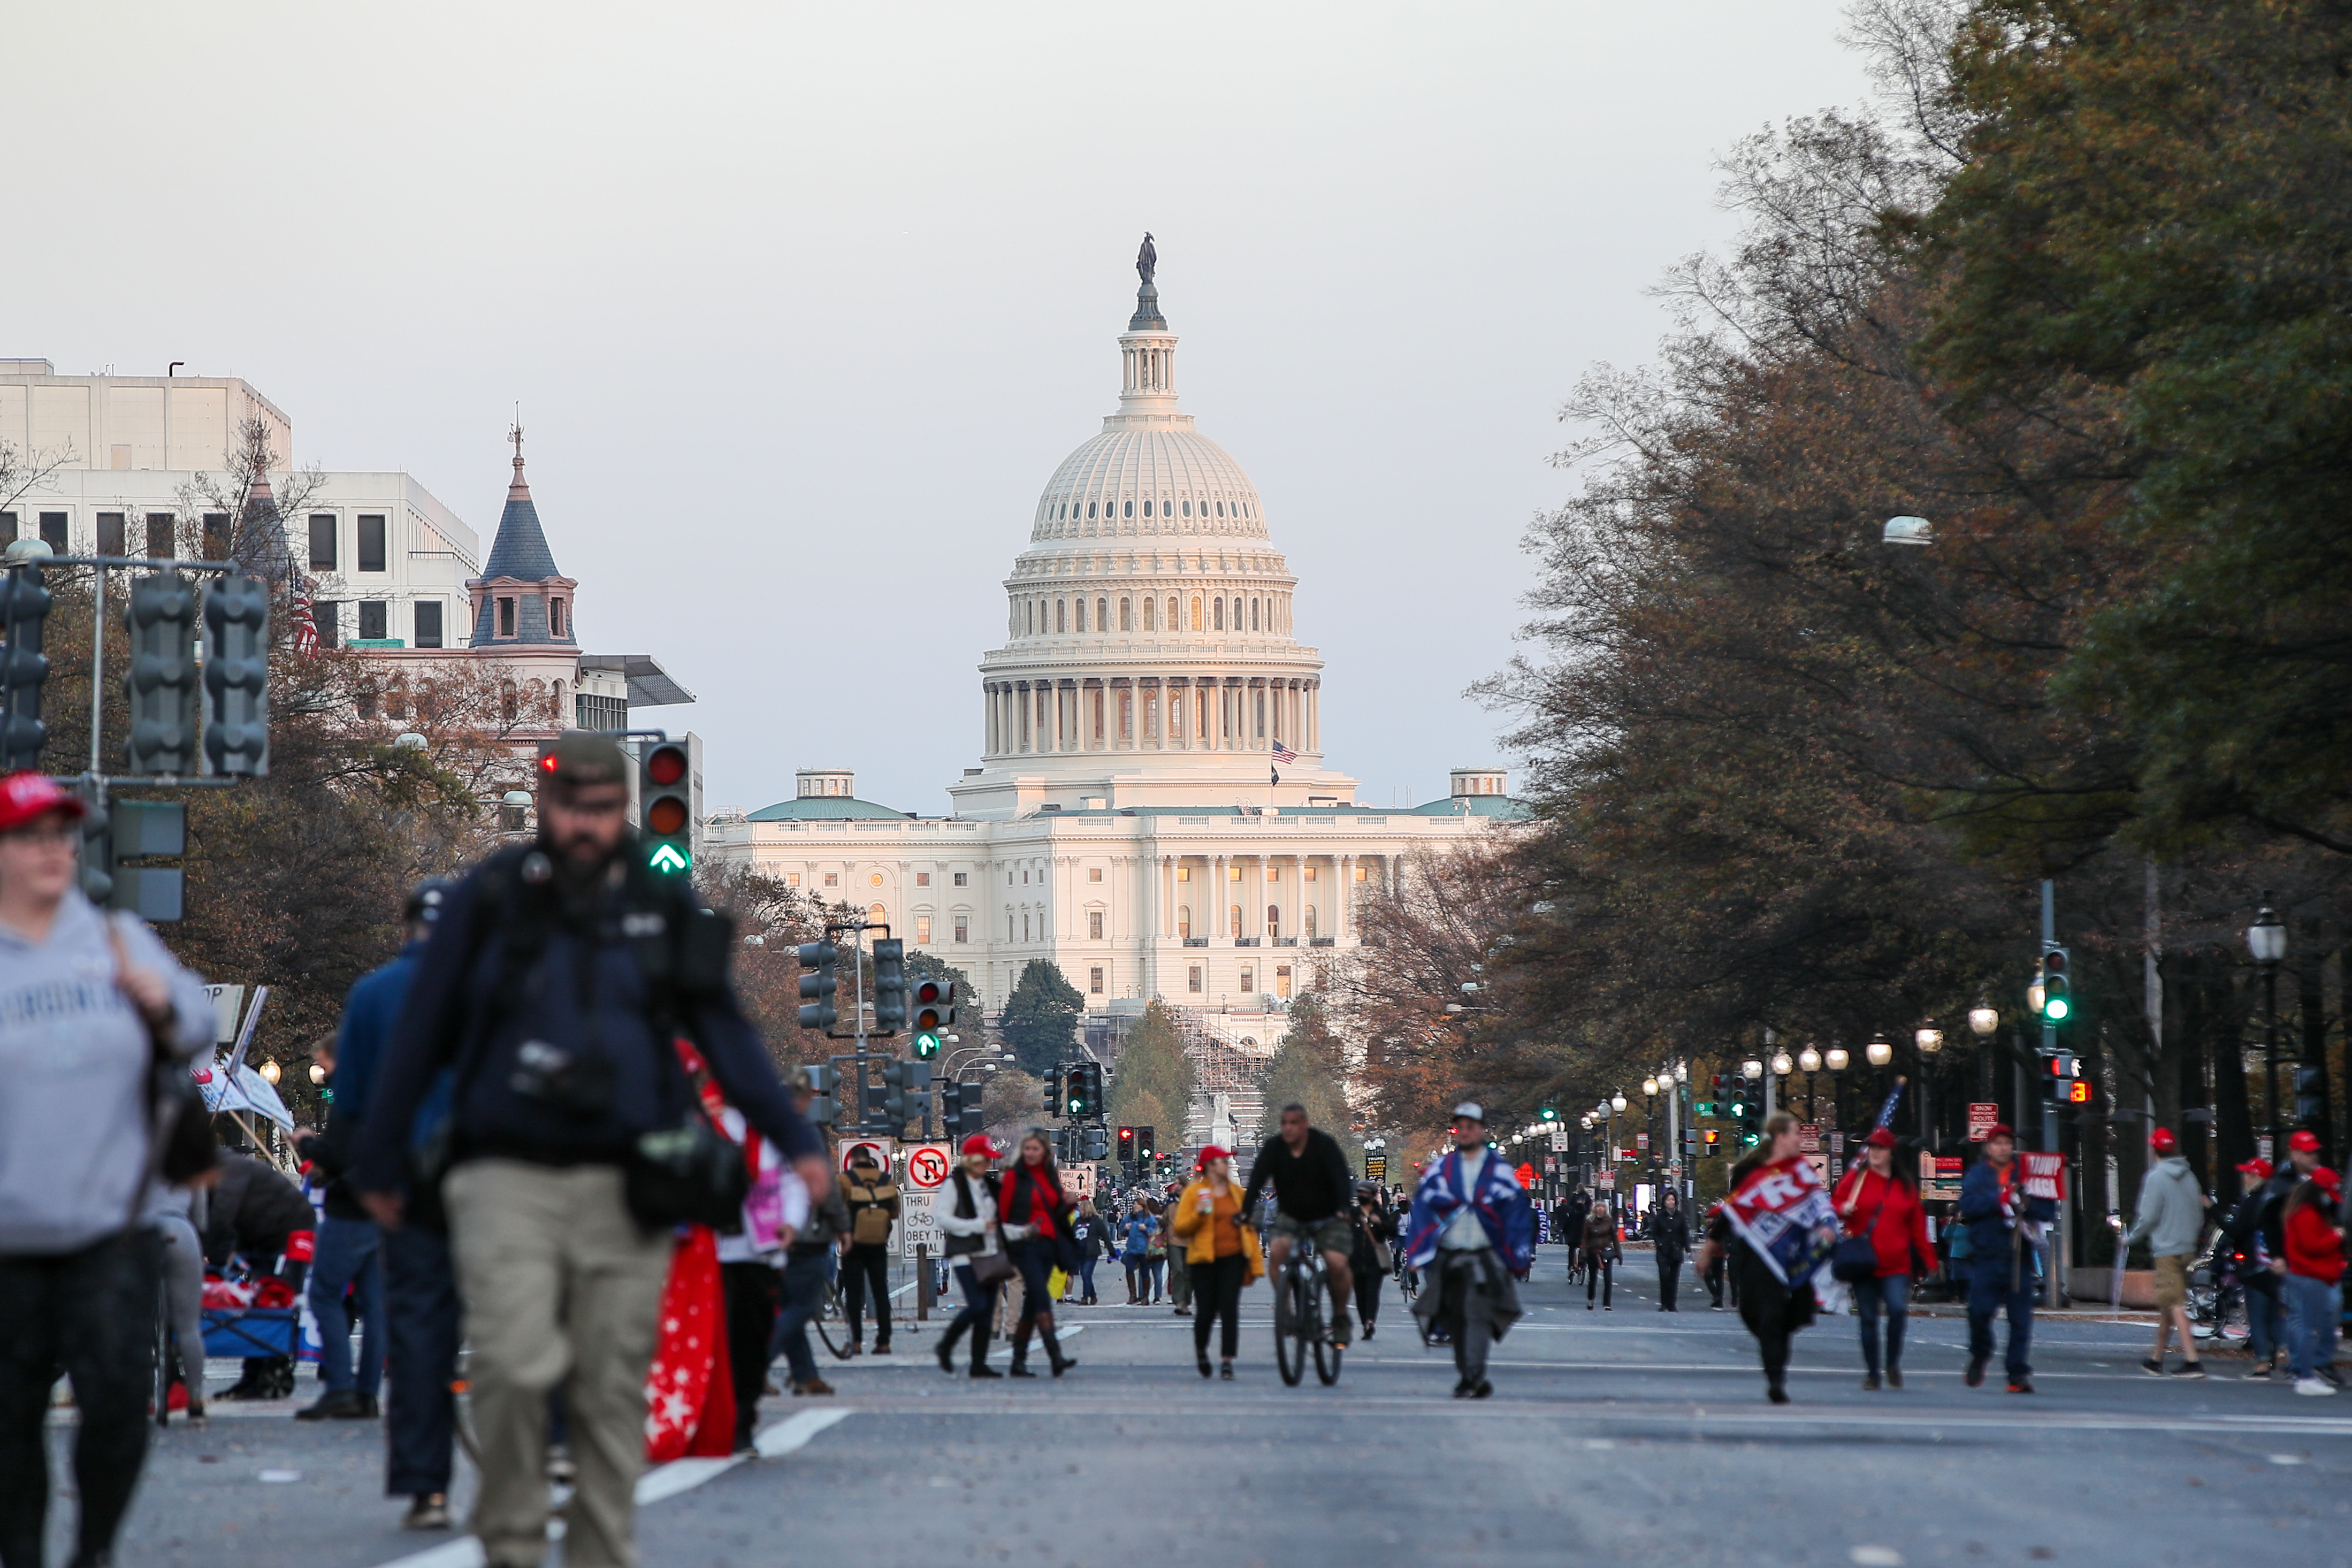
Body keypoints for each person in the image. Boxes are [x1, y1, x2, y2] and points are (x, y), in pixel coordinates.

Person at [351, 732, 827, 1568]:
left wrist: (794, 1139)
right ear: (545, 802)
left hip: (626, 1173)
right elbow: (423, 1028)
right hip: (504, 1165)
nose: (585, 824)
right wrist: (380, 1156)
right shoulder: (492, 896)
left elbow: (721, 1025)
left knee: (611, 1383)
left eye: (603, 809)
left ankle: (604, 1551)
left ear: (625, 808)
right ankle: (512, 1542)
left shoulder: (663, 902)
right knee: (509, 1359)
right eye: (570, 806)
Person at [0, 771, 216, 1568]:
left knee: (120, 1404)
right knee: (12, 1418)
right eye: (31, 837)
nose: (53, 850)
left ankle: (93, 1548)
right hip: (9, 1237)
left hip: (110, 1227)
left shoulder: (115, 936)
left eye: (63, 835)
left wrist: (160, 1000)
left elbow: (196, 1027)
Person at [1700, 1111, 1838, 1403]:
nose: (1800, 1139)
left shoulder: (1801, 1172)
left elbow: (1818, 1202)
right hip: (1758, 1255)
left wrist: (1827, 1226)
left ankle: (1776, 1374)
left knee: (1787, 1319)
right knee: (1762, 1317)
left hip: (1792, 1256)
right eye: (1795, 1133)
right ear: (1780, 1137)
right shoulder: (1750, 1172)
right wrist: (1709, 1248)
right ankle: (1774, 1370)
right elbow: (1732, 1210)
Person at [1404, 1102, 1534, 1398]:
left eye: (1471, 1127)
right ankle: (1468, 1372)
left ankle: (1474, 1374)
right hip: (1449, 1254)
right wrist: (1416, 1251)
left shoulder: (1499, 1171)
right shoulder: (1441, 1170)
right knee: (1454, 1317)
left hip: (1485, 1254)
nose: (1465, 1132)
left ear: (1481, 1130)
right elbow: (1424, 1210)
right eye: (1460, 1128)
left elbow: (1516, 1213)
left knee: (1476, 1315)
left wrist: (1518, 1253)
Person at [1240, 1103, 1361, 1345]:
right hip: (1292, 1214)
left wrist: (1344, 1208)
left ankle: (1340, 1316)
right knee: (1277, 1252)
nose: (1288, 1128)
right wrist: (1245, 1212)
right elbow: (1257, 1178)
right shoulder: (1275, 1148)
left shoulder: (1324, 1145)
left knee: (1337, 1263)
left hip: (1326, 1215)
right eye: (1284, 1123)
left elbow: (1340, 1177)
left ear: (1305, 1124)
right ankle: (1285, 1310)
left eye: (1294, 1123)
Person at [204, 1148, 319, 1401]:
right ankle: (252, 1377)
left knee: (277, 1302)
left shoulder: (230, 1170)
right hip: (262, 1238)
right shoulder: (218, 1171)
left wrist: (215, 1259)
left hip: (291, 1233)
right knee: (258, 1306)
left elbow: (221, 1218)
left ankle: (272, 1370)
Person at [1957, 1122, 2056, 1394]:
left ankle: (2017, 1374)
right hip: (1987, 1256)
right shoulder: (1978, 1175)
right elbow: (1968, 1205)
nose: (2003, 1148)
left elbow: (2048, 1208)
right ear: (1989, 1147)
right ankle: (1981, 1352)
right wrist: (1999, 1200)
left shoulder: (2028, 1174)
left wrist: (2025, 1203)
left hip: (2018, 1258)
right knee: (1978, 1312)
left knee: (2021, 1320)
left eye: (2007, 1143)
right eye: (1997, 1143)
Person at [1832, 1127, 1932, 1390]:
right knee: (1868, 1318)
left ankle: (1891, 1363)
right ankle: (1873, 1372)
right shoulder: (1857, 1179)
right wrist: (1843, 1208)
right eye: (1872, 1148)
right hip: (1863, 1262)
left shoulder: (1905, 1186)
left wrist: (1928, 1259)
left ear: (1891, 1153)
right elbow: (1832, 1206)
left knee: (1898, 1311)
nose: (1875, 1153)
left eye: (1880, 1148)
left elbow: (1918, 1227)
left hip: (1896, 1264)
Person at [2125, 1127, 2211, 1379]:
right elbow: (2199, 1212)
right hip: (2187, 1248)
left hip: (2166, 1250)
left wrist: (2130, 1239)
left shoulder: (2155, 1177)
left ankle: (2192, 1360)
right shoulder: (2190, 1177)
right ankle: (2156, 1358)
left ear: (2154, 1149)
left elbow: (2148, 1217)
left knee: (2174, 1303)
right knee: (2169, 1305)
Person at [1170, 1147, 1262, 1379]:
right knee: (1206, 1312)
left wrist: (1254, 1257)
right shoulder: (1195, 1194)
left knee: (1230, 1309)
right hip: (1204, 1259)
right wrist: (1198, 1214)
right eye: (1223, 1161)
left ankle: (1227, 1361)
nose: (1227, 1165)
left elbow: (1250, 1226)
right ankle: (1201, 1350)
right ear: (1211, 1166)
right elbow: (1181, 1227)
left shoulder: (1237, 1193)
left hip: (1233, 1258)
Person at [770, 1138, 850, 1398]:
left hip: (773, 1236)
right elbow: (827, 1189)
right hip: (807, 1239)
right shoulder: (802, 1136)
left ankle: (806, 1375)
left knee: (790, 1309)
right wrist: (841, 1226)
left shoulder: (762, 1138)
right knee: (802, 1308)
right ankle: (753, 1364)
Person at [997, 1131, 1078, 1377]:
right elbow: (1002, 1213)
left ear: (1045, 1152)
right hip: (1025, 1244)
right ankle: (1056, 1356)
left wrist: (1070, 1204)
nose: (1031, 1153)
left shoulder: (1050, 1177)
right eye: (1027, 1149)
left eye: (1036, 1149)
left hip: (1048, 1246)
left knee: (1032, 1303)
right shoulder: (1014, 1178)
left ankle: (1018, 1360)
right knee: (1041, 1298)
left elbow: (1057, 1212)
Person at [934, 1135, 1006, 1378]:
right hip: (965, 1254)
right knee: (978, 1305)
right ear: (973, 1160)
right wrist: (976, 1225)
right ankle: (947, 1344)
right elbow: (943, 1217)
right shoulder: (955, 1184)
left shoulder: (986, 1186)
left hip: (989, 1254)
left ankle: (979, 1363)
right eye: (985, 1160)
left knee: (987, 1311)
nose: (988, 1165)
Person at [2279, 1165, 2344, 1396]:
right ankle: (2306, 1375)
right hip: (2311, 1274)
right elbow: (2312, 1246)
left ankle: (2305, 1373)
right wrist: (2336, 1236)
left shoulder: (2301, 1210)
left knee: (2306, 1325)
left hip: (2304, 1273)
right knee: (2310, 1327)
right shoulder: (2308, 1213)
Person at [2224, 1157, 2287, 1379]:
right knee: (2276, 1316)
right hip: (2278, 1266)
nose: (2245, 1178)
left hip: (2256, 1268)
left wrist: (2212, 1210)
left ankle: (2262, 1362)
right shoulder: (2277, 1201)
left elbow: (2237, 1230)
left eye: (2249, 1174)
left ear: (2260, 1178)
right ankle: (2291, 1355)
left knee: (2258, 1317)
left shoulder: (2252, 1202)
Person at [838, 1147, 900, 1355]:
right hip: (878, 1242)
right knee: (881, 1291)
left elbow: (837, 1210)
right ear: (870, 1160)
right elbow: (893, 1213)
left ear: (852, 1161)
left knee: (854, 1294)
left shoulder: (845, 1180)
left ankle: (855, 1341)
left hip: (852, 1242)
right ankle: (884, 1341)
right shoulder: (885, 1180)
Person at [1350, 1181, 1395, 1338]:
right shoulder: (1353, 1213)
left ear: (1373, 1196)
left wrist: (1381, 1224)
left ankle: (1370, 1322)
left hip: (1375, 1261)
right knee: (1360, 1295)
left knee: (1372, 1293)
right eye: (1360, 1193)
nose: (1362, 1196)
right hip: (1355, 1261)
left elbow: (1392, 1231)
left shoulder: (1381, 1213)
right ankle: (1365, 1322)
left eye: (1366, 1193)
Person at [1652, 1190, 1690, 1311]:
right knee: (1664, 1276)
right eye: (1668, 1200)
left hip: (1676, 1250)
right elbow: (1655, 1233)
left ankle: (1672, 1303)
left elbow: (1685, 1233)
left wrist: (1687, 1248)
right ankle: (1664, 1303)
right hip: (1663, 1250)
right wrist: (1660, 1243)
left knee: (1674, 1278)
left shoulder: (1680, 1217)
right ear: (1664, 1202)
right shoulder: (1660, 1216)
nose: (1670, 1202)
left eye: (1673, 1200)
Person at [1580, 1200, 1620, 1310]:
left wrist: (1618, 1253)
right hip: (1593, 1252)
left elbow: (1615, 1238)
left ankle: (1607, 1304)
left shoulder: (1609, 1221)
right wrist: (1583, 1254)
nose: (1601, 1209)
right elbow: (1585, 1238)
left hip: (1606, 1252)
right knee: (1593, 1278)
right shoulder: (1589, 1221)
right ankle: (1591, 1300)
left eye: (1603, 1207)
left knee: (1608, 1279)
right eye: (1599, 1207)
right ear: (1595, 1209)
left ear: (1606, 1209)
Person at [1165, 1181, 1194, 1315]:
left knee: (1189, 1273)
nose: (1177, 1187)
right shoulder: (1170, 1205)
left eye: (1180, 1185)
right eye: (1176, 1185)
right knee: (1177, 1270)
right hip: (1174, 1241)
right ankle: (1179, 1301)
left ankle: (1186, 1301)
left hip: (1191, 1241)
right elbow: (1163, 1220)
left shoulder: (1193, 1203)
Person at [1121, 1198, 1156, 1304]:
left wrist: (1146, 1229)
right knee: (1129, 1270)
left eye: (1137, 1204)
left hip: (1145, 1249)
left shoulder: (1149, 1218)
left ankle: (1145, 1296)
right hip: (1132, 1249)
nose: (1135, 1206)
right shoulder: (1129, 1218)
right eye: (1134, 1204)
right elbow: (1123, 1231)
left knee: (1145, 1273)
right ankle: (1133, 1295)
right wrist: (1125, 1229)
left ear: (1142, 1206)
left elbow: (1155, 1232)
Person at [1070, 1198, 1105, 1305]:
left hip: (1091, 1252)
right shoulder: (1078, 1221)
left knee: (1086, 1274)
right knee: (1086, 1275)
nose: (1079, 1211)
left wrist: (1112, 1251)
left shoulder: (1096, 1221)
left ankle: (1085, 1297)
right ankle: (1093, 1296)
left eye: (1081, 1209)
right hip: (1079, 1252)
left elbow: (1105, 1236)